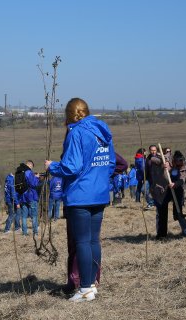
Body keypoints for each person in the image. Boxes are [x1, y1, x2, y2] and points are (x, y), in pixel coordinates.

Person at [45, 97, 115, 302]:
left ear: (69, 114)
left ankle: (84, 288)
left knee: (83, 241)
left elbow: (71, 167)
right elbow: (110, 163)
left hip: (80, 195)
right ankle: (92, 284)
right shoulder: (103, 133)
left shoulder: (76, 133)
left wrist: (53, 167)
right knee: (94, 240)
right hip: (100, 193)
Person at [19, 161, 41, 236]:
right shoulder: (28, 172)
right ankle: (35, 232)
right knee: (34, 215)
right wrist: (37, 178)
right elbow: (33, 184)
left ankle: (24, 233)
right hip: (31, 196)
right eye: (32, 166)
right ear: (30, 165)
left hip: (23, 197)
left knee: (24, 216)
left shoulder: (20, 172)